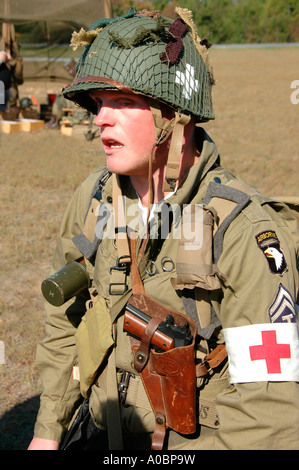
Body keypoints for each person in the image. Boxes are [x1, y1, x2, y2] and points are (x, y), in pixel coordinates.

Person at [28, 7, 299, 451]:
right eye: (99, 104)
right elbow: (64, 323)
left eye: (123, 102)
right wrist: (47, 429)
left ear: (174, 117)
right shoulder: (94, 199)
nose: (100, 119)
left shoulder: (241, 229)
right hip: (99, 432)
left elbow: (268, 414)